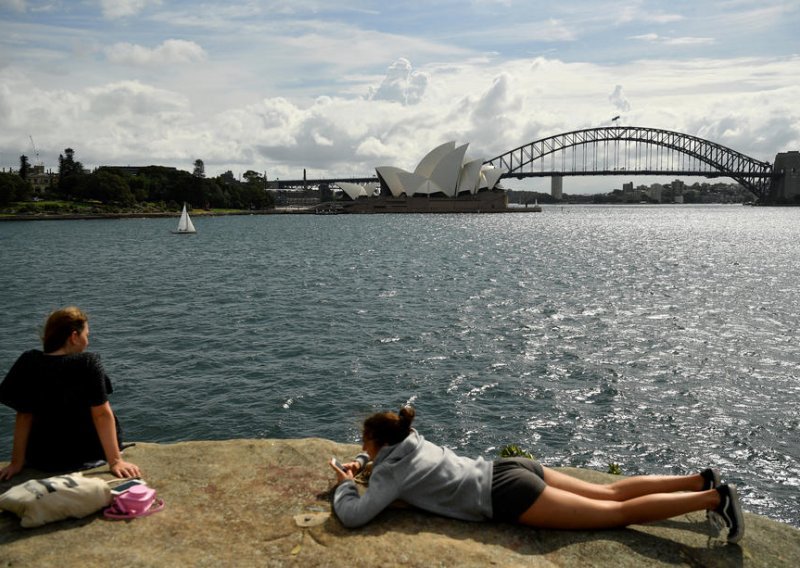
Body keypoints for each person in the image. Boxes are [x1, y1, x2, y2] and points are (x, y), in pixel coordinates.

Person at [330, 406, 744, 543]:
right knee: (612, 491)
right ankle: (698, 479)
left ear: (378, 442)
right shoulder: (413, 442)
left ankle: (715, 499)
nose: (361, 449)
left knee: (618, 514)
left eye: (363, 443)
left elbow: (354, 516)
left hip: (508, 497)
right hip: (508, 469)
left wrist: (345, 486)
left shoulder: (391, 474)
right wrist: (363, 465)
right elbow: (390, 465)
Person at [0, 306, 140, 481]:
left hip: (43, 459)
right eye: (86, 335)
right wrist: (116, 462)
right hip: (86, 455)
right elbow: (102, 415)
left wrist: (16, 463)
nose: (87, 341)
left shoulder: (28, 361)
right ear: (74, 337)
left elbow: (24, 416)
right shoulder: (87, 363)